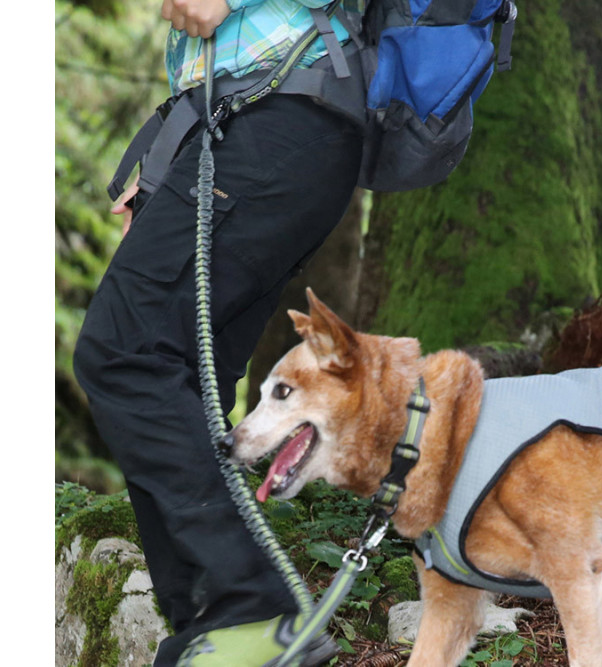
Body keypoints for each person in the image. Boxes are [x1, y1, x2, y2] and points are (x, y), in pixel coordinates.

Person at [73, 0, 365, 664]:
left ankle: (251, 605)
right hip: (247, 130)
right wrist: (164, 155)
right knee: (179, 377)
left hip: (279, 119)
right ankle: (206, 625)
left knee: (122, 351)